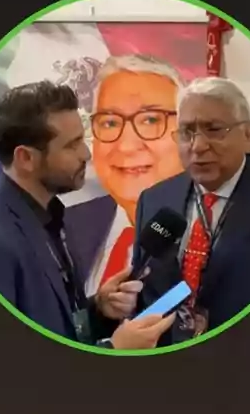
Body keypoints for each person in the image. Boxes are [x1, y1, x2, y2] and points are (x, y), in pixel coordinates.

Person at [0, 80, 174, 350]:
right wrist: (114, 350)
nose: (85, 153)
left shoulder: (52, 218)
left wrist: (99, 311)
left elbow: (57, 328)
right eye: (71, 145)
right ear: (26, 158)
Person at [132, 76, 250, 344]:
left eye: (214, 129)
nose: (198, 145)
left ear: (248, 134)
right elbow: (154, 293)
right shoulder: (155, 200)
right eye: (187, 132)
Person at [65, 54, 187, 297]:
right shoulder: (64, 227)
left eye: (151, 120)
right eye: (109, 123)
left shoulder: (217, 230)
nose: (127, 146)